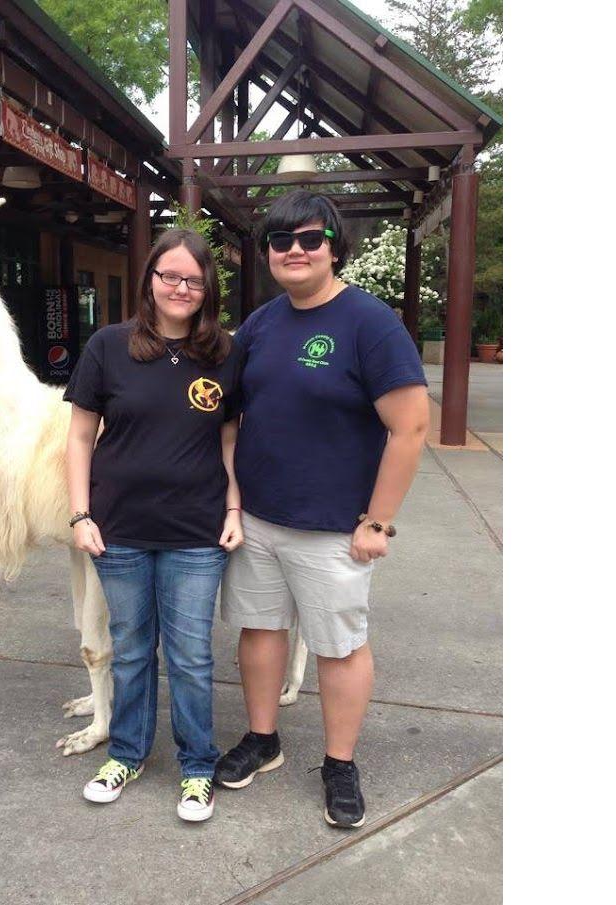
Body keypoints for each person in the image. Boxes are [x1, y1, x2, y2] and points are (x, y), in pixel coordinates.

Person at [214, 191, 429, 829]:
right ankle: (263, 738)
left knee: (339, 647)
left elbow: (410, 426)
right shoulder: (261, 324)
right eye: (281, 242)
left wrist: (378, 520)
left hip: (335, 528)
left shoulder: (370, 323)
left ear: (335, 247)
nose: (296, 251)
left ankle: (339, 762)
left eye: (310, 239)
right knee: (258, 632)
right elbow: (221, 404)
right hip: (258, 519)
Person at [64, 229, 244, 823]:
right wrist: (80, 512)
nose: (181, 288)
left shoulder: (224, 352)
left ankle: (197, 767)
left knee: (192, 655)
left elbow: (229, 438)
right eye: (170, 276)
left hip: (197, 530)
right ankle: (127, 753)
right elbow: (80, 436)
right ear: (150, 281)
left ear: (207, 289)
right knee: (133, 649)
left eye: (193, 279)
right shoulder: (109, 346)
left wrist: (234, 508)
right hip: (118, 528)